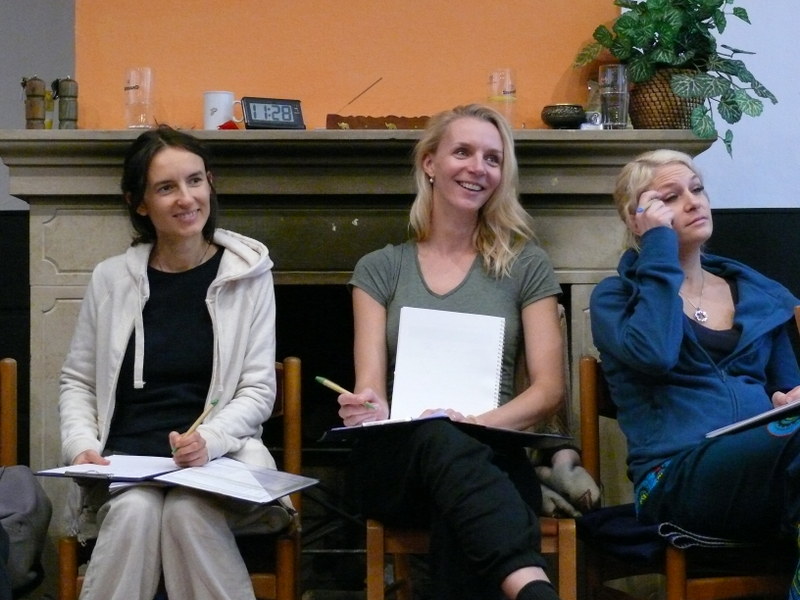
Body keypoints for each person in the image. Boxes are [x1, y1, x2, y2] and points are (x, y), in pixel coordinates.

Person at [337, 103, 578, 600]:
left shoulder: (526, 265)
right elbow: (370, 388)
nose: (478, 168)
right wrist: (365, 407)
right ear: (430, 162)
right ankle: (533, 588)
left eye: (492, 158)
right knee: (440, 441)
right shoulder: (380, 269)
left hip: (492, 453)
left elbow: (550, 389)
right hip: (401, 466)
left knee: (458, 486)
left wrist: (472, 424)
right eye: (463, 152)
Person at [59, 125, 287, 600]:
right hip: (126, 466)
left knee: (187, 510)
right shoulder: (111, 279)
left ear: (210, 184)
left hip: (219, 464)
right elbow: (78, 381)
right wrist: (80, 447)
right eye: (166, 188)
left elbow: (258, 389)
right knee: (135, 511)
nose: (186, 198)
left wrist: (209, 441)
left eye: (195, 180)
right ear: (139, 203)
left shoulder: (248, 276)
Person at [590, 149, 800, 597]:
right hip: (673, 477)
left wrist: (789, 398)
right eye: (670, 197)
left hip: (768, 471)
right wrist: (658, 248)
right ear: (636, 219)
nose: (693, 202)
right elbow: (655, 354)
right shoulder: (616, 298)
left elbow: (787, 386)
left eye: (697, 189)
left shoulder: (759, 295)